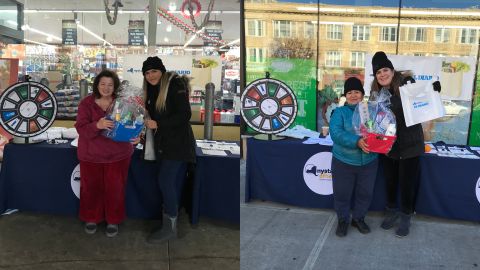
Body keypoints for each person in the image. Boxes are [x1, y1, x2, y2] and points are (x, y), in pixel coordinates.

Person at [370, 51, 440, 237]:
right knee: (390, 182)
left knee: (407, 184)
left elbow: (425, 99)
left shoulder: (407, 85)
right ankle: (391, 211)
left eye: (385, 70)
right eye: (378, 72)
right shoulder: (375, 93)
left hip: (410, 145)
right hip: (388, 146)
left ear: (392, 71)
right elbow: (373, 119)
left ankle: (406, 216)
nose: (382, 74)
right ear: (375, 76)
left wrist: (434, 90)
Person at [75, 69, 139, 237]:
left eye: (110, 84)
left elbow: (133, 124)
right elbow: (81, 129)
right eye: (103, 84)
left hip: (118, 155)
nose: (106, 87)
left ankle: (113, 220)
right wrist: (97, 125)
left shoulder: (123, 104)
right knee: (90, 188)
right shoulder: (86, 103)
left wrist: (137, 135)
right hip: (91, 156)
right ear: (96, 85)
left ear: (115, 87)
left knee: (115, 189)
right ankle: (91, 217)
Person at [141, 56, 196, 243]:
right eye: (147, 73)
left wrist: (158, 123)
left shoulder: (174, 84)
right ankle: (169, 222)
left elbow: (185, 114)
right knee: (164, 181)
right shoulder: (151, 90)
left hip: (178, 144)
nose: (150, 75)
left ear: (161, 71)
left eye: (154, 71)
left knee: (165, 181)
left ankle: (170, 227)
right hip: (163, 144)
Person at [329, 77, 378, 237]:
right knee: (342, 194)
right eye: (349, 92)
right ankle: (343, 220)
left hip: (369, 161)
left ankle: (358, 219)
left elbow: (379, 129)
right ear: (345, 95)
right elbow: (336, 133)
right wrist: (356, 141)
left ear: (362, 94)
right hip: (344, 161)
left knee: (365, 193)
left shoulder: (370, 110)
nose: (353, 95)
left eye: (357, 91)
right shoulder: (339, 112)